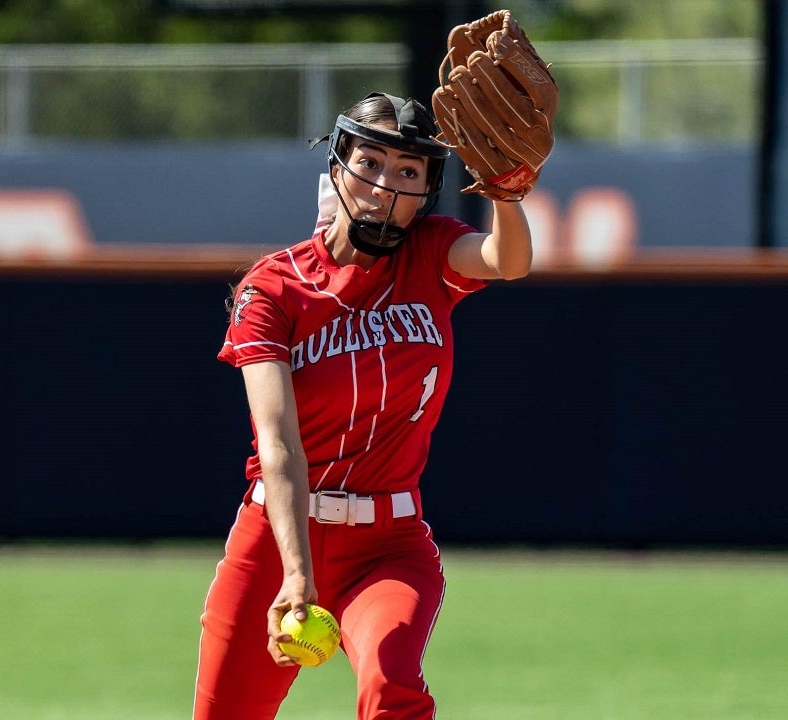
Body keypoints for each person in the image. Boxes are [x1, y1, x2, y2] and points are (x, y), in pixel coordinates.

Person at [194, 91, 534, 720]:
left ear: (428, 187)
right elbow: (277, 444)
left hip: (387, 544)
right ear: (340, 165)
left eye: (408, 172)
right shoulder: (273, 288)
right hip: (275, 540)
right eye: (371, 162)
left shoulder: (431, 253)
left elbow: (506, 260)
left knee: (389, 689)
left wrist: (508, 197)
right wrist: (296, 575)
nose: (386, 185)